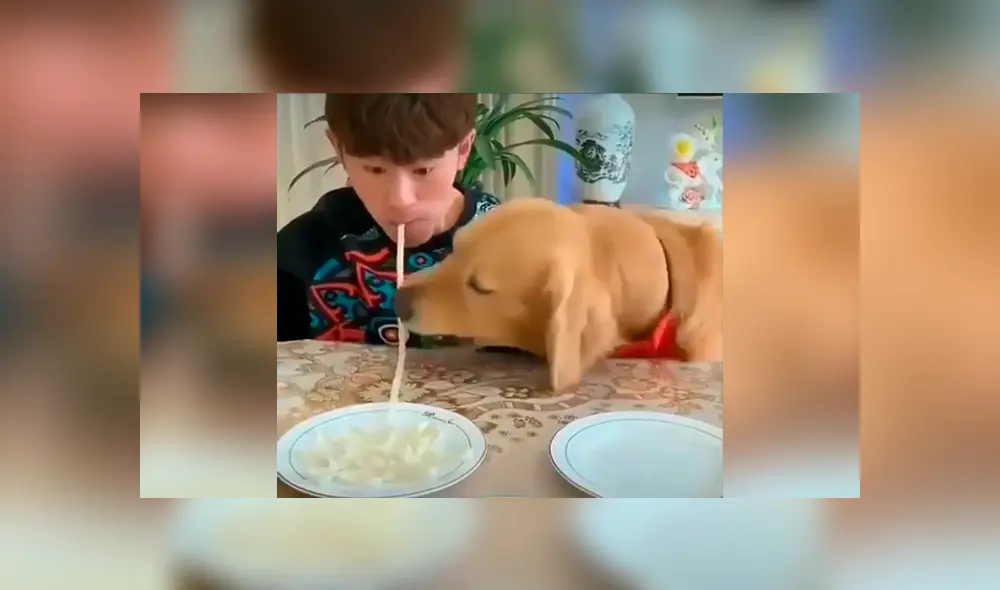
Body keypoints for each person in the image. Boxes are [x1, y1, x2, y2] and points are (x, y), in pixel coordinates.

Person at [278, 93, 500, 345]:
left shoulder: (511, 249)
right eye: (375, 169)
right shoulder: (296, 256)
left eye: (423, 170)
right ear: (338, 149)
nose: (400, 200)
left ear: (464, 149)